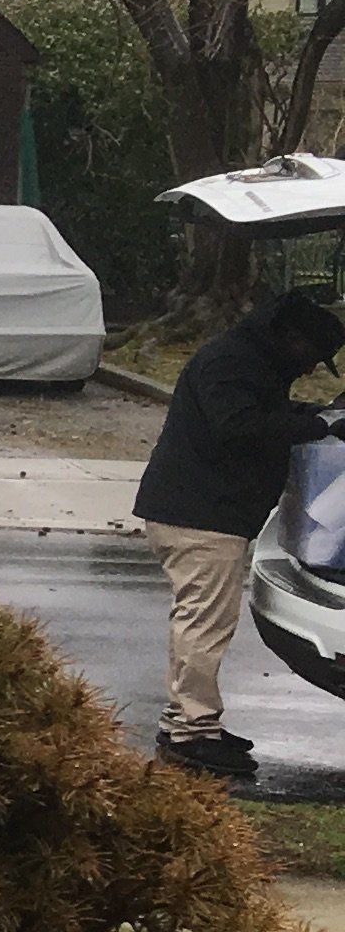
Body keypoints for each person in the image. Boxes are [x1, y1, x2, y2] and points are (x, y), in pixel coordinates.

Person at [132, 285, 345, 777]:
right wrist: (319, 428)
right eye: (312, 356)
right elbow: (239, 425)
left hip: (202, 513)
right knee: (203, 625)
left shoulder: (247, 360)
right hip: (201, 517)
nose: (311, 367)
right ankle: (190, 732)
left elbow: (265, 412)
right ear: (289, 336)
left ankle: (190, 722)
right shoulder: (231, 364)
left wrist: (318, 415)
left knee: (201, 622)